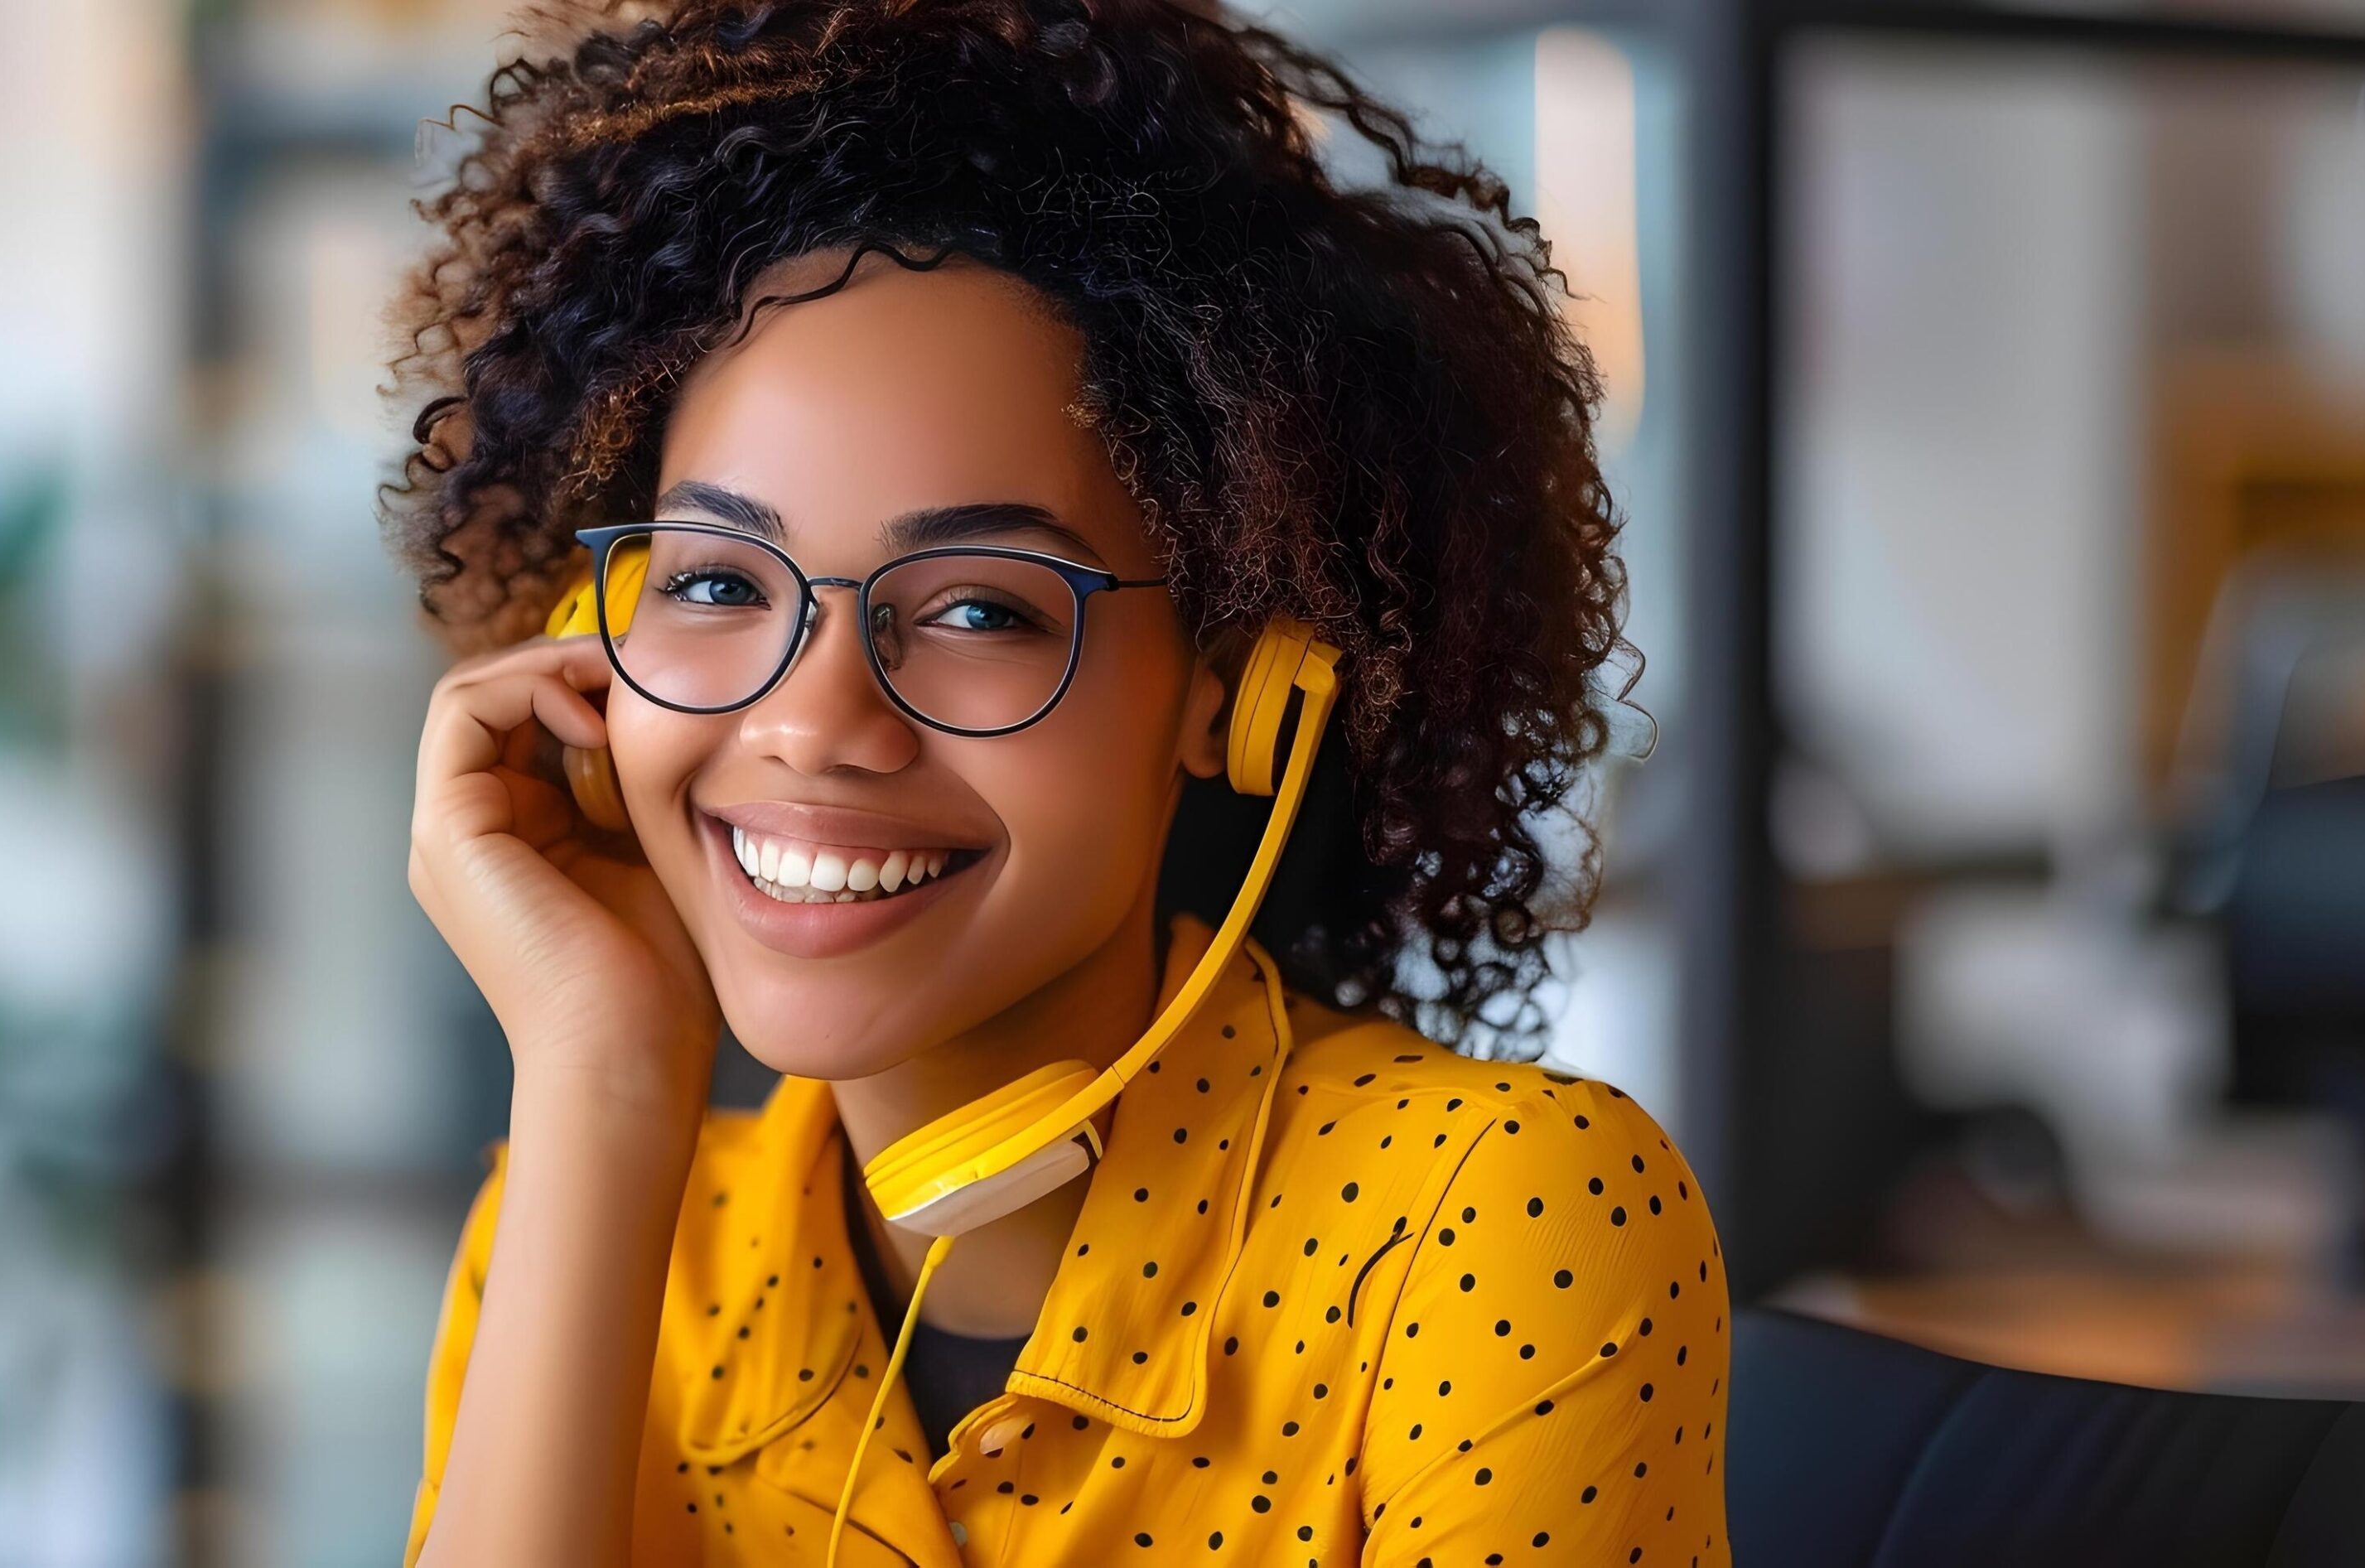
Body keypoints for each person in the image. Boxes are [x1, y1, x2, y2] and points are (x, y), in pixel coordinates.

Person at [386, 2, 1721, 1563]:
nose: (813, 724)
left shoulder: (1491, 1224)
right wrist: (601, 1073)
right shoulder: (591, 1217)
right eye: (714, 583)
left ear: (1243, 692)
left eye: (977, 609)